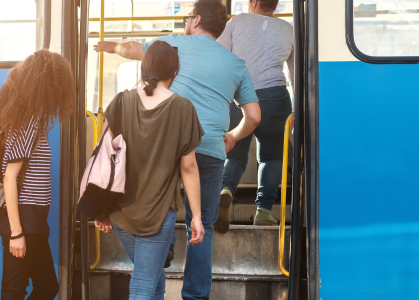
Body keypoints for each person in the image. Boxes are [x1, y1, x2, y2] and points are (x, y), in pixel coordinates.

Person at [94, 1, 261, 299]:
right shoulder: (236, 63)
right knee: (205, 225)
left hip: (165, 145)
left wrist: (111, 46)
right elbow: (255, 116)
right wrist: (232, 136)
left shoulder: (171, 46)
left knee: (160, 207)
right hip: (209, 147)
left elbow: (132, 49)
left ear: (196, 20)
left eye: (187, 17)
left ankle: (162, 246)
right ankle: (195, 295)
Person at [94, 40, 205, 300]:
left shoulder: (121, 101)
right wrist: (197, 216)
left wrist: (102, 207)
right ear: (174, 72)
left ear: (144, 68)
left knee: (153, 278)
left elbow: (105, 157)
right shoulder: (183, 108)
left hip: (121, 212)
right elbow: (189, 168)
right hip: (157, 214)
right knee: (144, 284)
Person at [0, 50, 75, 300]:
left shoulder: (30, 119)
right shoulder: (28, 122)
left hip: (34, 219)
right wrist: (16, 233)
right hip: (23, 219)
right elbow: (9, 177)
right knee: (14, 291)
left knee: (46, 287)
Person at [216, 0, 294, 228]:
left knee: (235, 155)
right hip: (276, 98)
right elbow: (296, 73)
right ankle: (263, 211)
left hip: (240, 96)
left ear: (254, 2)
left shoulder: (236, 22)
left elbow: (219, 56)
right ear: (276, 4)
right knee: (272, 158)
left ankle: (226, 190)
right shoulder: (288, 29)